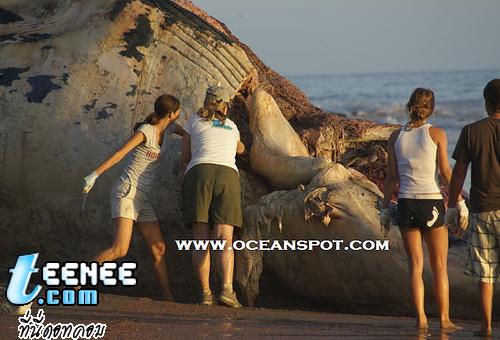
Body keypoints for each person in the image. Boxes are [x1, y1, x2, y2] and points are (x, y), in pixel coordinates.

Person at [82, 94, 183, 301]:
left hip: (142, 200)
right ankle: (76, 282)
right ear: (171, 114)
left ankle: (169, 298)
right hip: (126, 193)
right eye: (178, 111)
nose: (179, 115)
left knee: (158, 247)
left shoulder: (171, 128)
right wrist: (94, 175)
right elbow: (120, 153)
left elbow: (189, 133)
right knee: (119, 249)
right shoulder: (145, 131)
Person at [380, 88, 466, 330]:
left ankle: (421, 318)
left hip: (406, 203)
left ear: (410, 105)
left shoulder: (395, 136)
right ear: (431, 108)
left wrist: (385, 209)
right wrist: (459, 202)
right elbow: (446, 173)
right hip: (431, 202)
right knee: (439, 265)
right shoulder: (437, 133)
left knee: (415, 265)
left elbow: (390, 178)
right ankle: (445, 320)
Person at [181, 85, 246, 308]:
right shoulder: (232, 126)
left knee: (201, 239)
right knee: (224, 238)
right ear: (225, 106)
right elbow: (240, 149)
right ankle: (227, 290)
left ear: (205, 103)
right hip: (228, 175)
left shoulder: (193, 122)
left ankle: (205, 294)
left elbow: (185, 157)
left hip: (199, 173)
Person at [446, 79, 500, 337]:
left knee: (485, 271)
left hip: (482, 208)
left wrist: (454, 202)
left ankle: (487, 325)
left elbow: (459, 173)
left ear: (487, 103)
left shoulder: (471, 131)